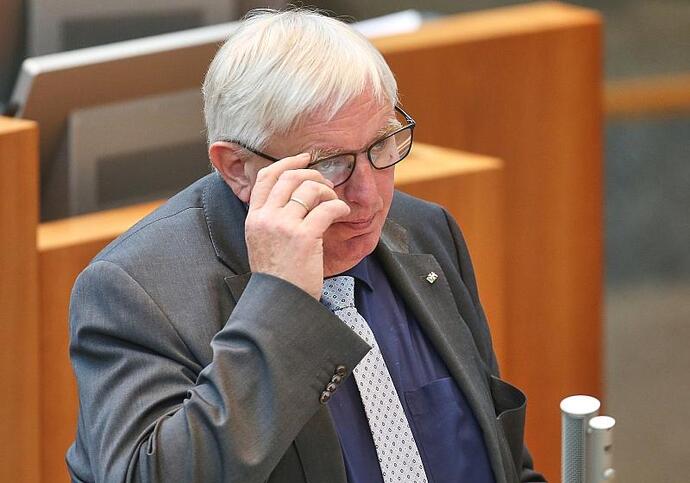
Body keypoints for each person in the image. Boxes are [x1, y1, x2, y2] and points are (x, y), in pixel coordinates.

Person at [66, 8, 545, 483]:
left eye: (381, 144)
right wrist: (280, 299)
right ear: (237, 167)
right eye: (329, 163)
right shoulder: (135, 290)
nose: (368, 195)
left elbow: (502, 460)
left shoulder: (426, 230)